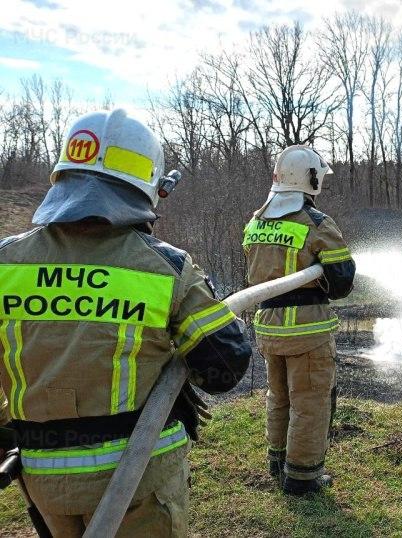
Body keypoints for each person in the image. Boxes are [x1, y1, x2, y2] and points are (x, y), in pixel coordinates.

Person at [0, 109, 251, 536]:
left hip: (44, 480)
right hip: (138, 481)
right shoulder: (164, 267)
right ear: (148, 189)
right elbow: (224, 369)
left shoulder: (5, 262)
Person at [243, 145, 355, 495]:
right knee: (309, 401)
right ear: (311, 179)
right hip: (307, 330)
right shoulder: (317, 224)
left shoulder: (256, 220)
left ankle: (277, 461)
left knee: (278, 395)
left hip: (267, 326)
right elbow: (341, 283)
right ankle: (303, 476)